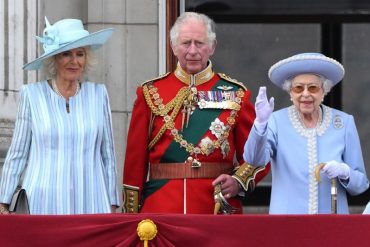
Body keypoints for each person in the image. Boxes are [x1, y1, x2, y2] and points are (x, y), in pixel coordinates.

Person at [122, 12, 269, 214]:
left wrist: (237, 181)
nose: (192, 51)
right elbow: (134, 163)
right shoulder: (150, 92)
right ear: (173, 46)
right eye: (185, 43)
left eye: (199, 43)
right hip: (161, 207)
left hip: (216, 208)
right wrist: (131, 217)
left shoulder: (236, 94)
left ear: (212, 47)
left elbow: (258, 156)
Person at [0, 17, 120, 214]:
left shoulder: (99, 95)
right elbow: (18, 153)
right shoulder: (32, 95)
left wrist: (112, 201)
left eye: (80, 54)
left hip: (92, 202)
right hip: (43, 202)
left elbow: (108, 155)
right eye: (66, 54)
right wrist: (3, 202)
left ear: (86, 58)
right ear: (54, 59)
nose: (74, 61)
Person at [243, 52, 369, 214]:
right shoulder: (275, 121)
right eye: (298, 88)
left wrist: (345, 172)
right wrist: (260, 124)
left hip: (331, 224)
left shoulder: (344, 123)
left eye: (313, 88)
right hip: (288, 224)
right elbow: (254, 160)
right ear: (290, 92)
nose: (305, 94)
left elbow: (361, 185)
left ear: (324, 91)